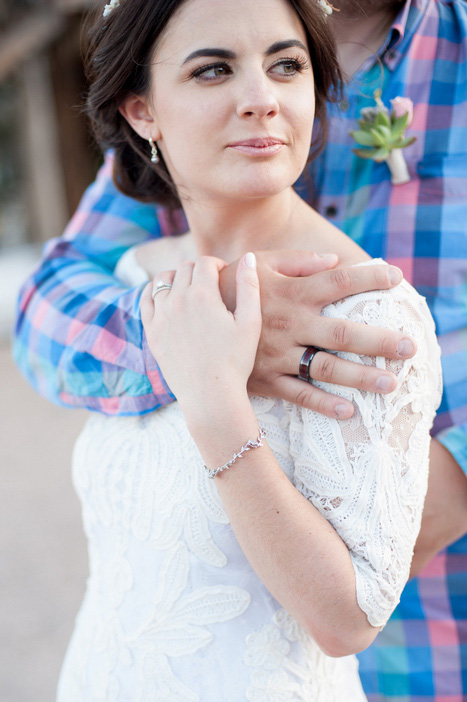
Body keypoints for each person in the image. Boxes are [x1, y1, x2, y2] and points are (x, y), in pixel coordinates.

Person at [12, 0, 467, 700]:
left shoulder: (376, 309)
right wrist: (198, 336)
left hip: (426, 612)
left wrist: (456, 449)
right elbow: (46, 309)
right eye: (215, 70)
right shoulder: (152, 261)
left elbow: (345, 613)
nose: (259, 99)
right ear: (142, 112)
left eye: (287, 67)